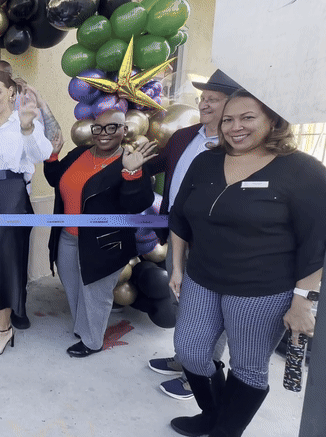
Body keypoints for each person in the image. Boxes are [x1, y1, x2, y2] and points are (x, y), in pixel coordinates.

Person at [167, 90, 326, 437]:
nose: (235, 127)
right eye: (228, 119)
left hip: (262, 290)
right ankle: (214, 416)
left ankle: (226, 430)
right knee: (190, 351)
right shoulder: (205, 162)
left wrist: (303, 299)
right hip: (202, 279)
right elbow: (180, 218)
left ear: (273, 121)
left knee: (248, 368)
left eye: (248, 118)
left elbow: (316, 242)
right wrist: (177, 268)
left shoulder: (304, 171)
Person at [145, 70, 241, 400]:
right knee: (182, 296)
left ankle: (201, 371)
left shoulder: (237, 146)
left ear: (232, 104)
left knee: (212, 306)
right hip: (177, 230)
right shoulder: (184, 136)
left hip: (213, 238)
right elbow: (156, 165)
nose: (204, 104)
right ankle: (183, 358)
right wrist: (128, 165)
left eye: (212, 99)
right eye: (203, 98)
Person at [0, 60, 65, 330]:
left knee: (4, 263)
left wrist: (28, 128)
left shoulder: (23, 122)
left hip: (12, 197)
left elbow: (41, 154)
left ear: (11, 93)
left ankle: (6, 326)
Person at [45, 109, 156, 358]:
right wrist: (53, 155)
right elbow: (56, 179)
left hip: (104, 243)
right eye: (98, 128)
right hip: (68, 236)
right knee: (73, 286)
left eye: (112, 127)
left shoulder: (130, 160)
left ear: (123, 130)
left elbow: (135, 205)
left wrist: (131, 173)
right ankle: (83, 329)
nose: (104, 134)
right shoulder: (79, 154)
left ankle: (92, 341)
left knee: (95, 293)